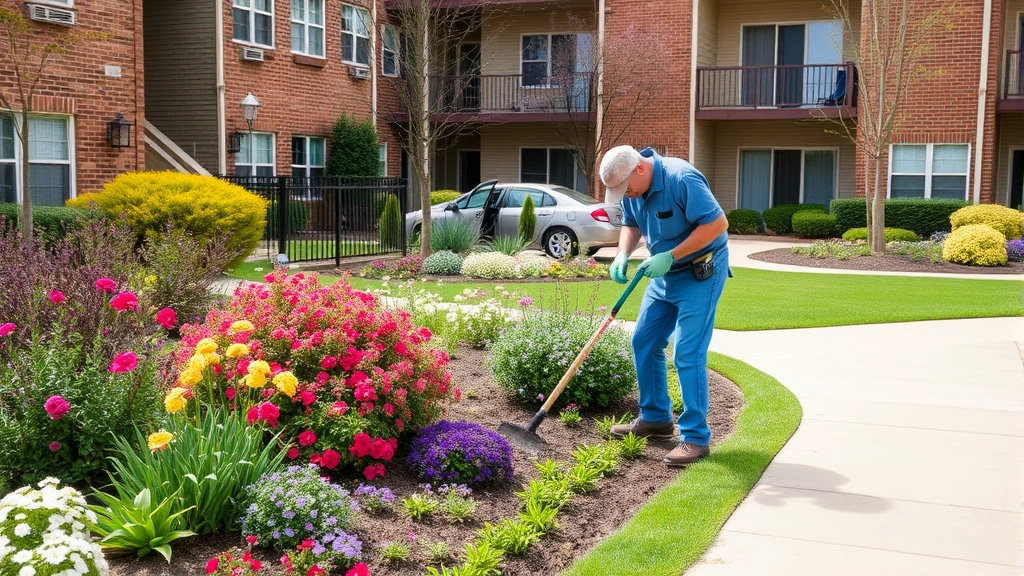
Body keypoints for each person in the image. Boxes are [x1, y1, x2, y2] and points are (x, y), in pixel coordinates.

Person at [599, 145, 730, 466]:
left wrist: (671, 255)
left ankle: (696, 437)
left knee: (687, 351)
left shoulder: (682, 177)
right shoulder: (634, 189)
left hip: (700, 272)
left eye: (625, 187)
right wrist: (622, 253)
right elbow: (631, 224)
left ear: (640, 169)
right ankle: (656, 417)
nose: (625, 194)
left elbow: (716, 224)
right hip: (664, 274)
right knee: (644, 340)